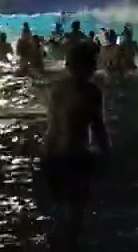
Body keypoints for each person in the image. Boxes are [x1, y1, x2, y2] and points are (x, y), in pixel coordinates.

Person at [42, 41, 110, 251]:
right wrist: (107, 155)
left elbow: (52, 127)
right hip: (75, 157)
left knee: (59, 212)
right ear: (89, 66)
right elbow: (98, 128)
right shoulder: (91, 92)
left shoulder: (57, 89)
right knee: (75, 215)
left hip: (53, 156)